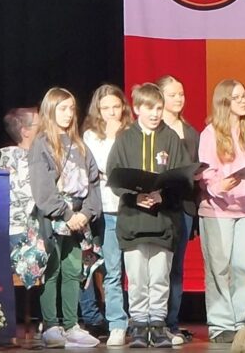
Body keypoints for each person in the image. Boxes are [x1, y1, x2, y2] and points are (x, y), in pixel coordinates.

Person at [107, 83, 192, 348]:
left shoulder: (171, 139)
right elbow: (114, 175)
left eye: (159, 108)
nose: (155, 114)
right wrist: (134, 197)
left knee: (159, 277)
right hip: (133, 221)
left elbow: (182, 178)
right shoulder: (124, 139)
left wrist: (162, 196)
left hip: (163, 221)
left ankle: (157, 324)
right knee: (137, 279)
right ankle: (139, 326)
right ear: (137, 109)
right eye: (149, 108)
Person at [29, 87, 102, 348]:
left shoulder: (80, 146)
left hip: (78, 219)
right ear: (50, 111)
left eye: (71, 108)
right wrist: (67, 214)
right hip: (54, 218)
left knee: (73, 270)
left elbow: (93, 183)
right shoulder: (42, 145)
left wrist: (86, 213)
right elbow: (43, 189)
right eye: (62, 109)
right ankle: (51, 325)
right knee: (52, 269)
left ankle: (71, 325)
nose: (69, 114)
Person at [199, 79, 245, 343]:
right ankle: (220, 325)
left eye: (244, 96)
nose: (243, 102)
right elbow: (206, 173)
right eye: (237, 97)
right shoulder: (210, 133)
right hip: (218, 210)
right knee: (219, 268)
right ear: (224, 102)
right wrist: (220, 186)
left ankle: (239, 320)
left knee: (242, 267)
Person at [81, 85, 133, 346]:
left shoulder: (132, 132)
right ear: (97, 110)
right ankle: (117, 323)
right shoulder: (92, 136)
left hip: (132, 208)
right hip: (108, 210)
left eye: (116, 107)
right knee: (112, 270)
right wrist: (112, 138)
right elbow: (103, 167)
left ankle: (141, 320)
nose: (112, 113)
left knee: (135, 271)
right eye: (106, 108)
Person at [156, 74, 200, 344]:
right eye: (172, 94)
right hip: (158, 206)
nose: (179, 99)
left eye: (181, 94)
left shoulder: (191, 132)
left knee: (176, 267)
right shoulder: (154, 130)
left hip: (183, 206)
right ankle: (152, 321)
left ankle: (171, 322)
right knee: (156, 266)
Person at [1, 108, 41, 277]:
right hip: (23, 235)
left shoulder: (3, 156)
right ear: (25, 131)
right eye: (40, 124)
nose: (45, 128)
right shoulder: (24, 160)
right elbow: (36, 201)